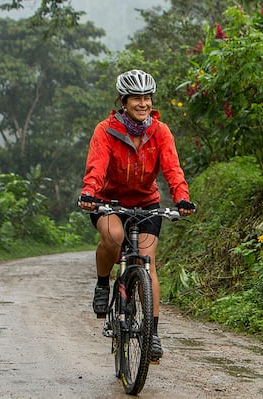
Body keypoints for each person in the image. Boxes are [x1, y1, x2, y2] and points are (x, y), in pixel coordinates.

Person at [77, 69, 195, 362]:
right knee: (114, 238)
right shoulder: (105, 130)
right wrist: (90, 193)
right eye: (135, 98)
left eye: (147, 97)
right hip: (108, 201)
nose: (142, 103)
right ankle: (103, 283)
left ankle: (151, 334)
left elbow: (172, 169)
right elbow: (97, 166)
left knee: (147, 261)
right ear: (123, 101)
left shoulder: (160, 131)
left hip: (146, 203)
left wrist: (182, 198)